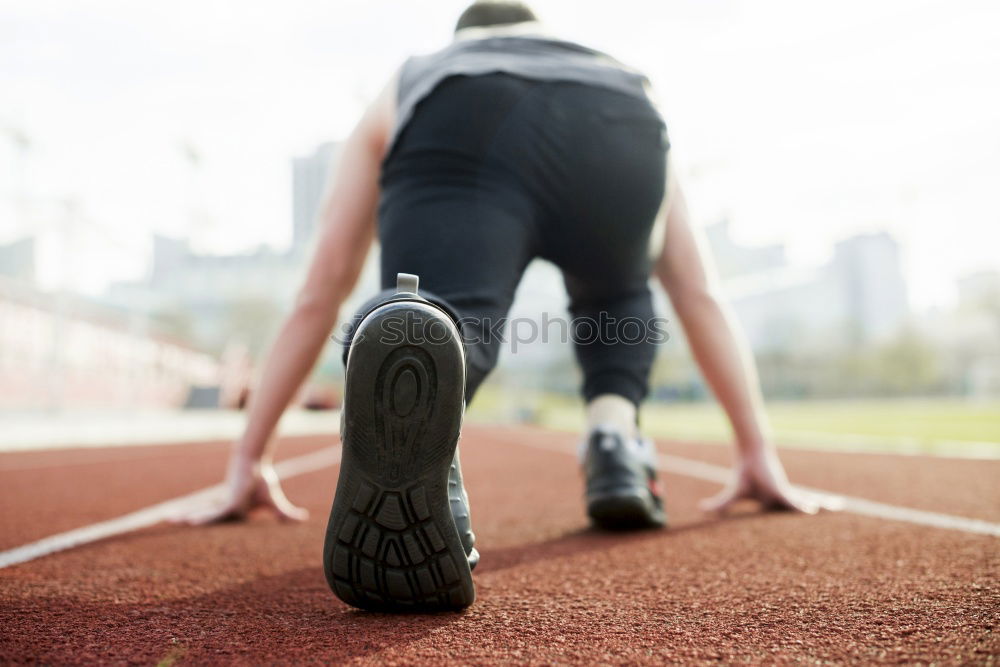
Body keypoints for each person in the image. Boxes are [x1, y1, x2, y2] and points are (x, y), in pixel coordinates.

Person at [180, 1, 827, 611]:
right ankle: (613, 435)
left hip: (463, 113)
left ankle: (430, 385)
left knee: (441, 317)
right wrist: (756, 450)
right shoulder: (618, 71)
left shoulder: (420, 71)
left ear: (465, 34)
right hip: (620, 125)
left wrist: (249, 459)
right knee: (620, 291)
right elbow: (699, 291)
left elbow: (323, 282)